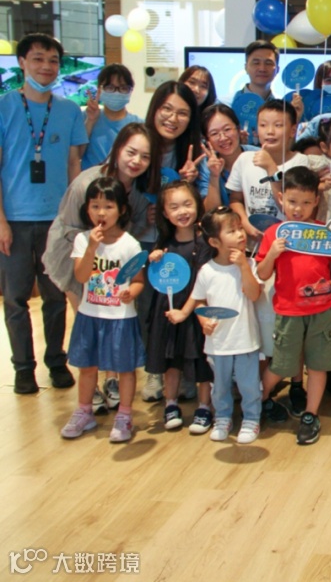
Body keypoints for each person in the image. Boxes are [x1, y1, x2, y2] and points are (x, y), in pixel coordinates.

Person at [0, 33, 88, 394]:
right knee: (15, 298)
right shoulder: (4, 107)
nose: (46, 67)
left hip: (57, 220)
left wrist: (74, 218)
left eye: (53, 60)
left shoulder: (68, 111)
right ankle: (23, 368)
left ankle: (56, 361)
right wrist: (1, 221)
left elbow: (73, 164)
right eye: (38, 59)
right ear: (22, 62)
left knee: (56, 296)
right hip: (15, 220)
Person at [44, 122, 154, 412]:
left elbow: (131, 230)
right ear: (117, 149)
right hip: (74, 254)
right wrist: (91, 248)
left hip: (111, 265)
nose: (136, 161)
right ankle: (89, 388)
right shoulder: (87, 183)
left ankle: (112, 380)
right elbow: (70, 227)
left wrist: (147, 218)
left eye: (145, 156)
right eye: (131, 152)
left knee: (111, 317)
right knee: (87, 320)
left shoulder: (137, 191)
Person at [255, 167, 331, 445]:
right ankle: (257, 401)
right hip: (288, 312)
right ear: (281, 199)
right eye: (292, 201)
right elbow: (263, 273)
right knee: (281, 365)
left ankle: (310, 414)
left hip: (323, 311)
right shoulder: (274, 233)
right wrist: (272, 254)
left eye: (306, 202)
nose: (299, 208)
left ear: (316, 201)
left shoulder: (325, 233)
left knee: (318, 366)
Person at [166, 207, 263, 444]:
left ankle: (251, 419)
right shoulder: (207, 270)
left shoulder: (250, 264)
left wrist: (243, 266)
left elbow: (254, 294)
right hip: (218, 342)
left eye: (240, 228)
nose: (240, 234)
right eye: (232, 231)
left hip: (245, 339)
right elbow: (199, 300)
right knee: (219, 387)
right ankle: (222, 417)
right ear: (214, 242)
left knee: (249, 385)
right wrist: (200, 319)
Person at [60, 177, 145, 441]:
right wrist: (92, 248)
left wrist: (132, 293)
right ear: (86, 209)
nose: (101, 212)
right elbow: (82, 276)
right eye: (95, 206)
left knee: (125, 369)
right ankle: (84, 412)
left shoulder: (130, 244)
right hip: (90, 316)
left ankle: (124, 415)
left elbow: (139, 280)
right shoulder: (82, 240)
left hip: (120, 317)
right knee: (87, 367)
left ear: (121, 209)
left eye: (108, 206)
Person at [144, 181, 214, 434]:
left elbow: (203, 283)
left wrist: (187, 310)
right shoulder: (163, 242)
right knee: (170, 360)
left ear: (197, 205)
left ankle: (204, 406)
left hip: (196, 309)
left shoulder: (205, 243)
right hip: (168, 310)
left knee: (201, 361)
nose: (182, 211)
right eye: (174, 207)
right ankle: (170, 404)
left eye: (187, 204)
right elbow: (156, 276)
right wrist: (153, 258)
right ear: (164, 213)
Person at [227, 99, 312, 241]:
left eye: (278, 125)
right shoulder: (244, 159)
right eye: (263, 125)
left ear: (292, 130)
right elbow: (235, 199)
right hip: (251, 243)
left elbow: (290, 208)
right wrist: (245, 223)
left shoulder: (300, 162)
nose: (270, 131)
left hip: (287, 242)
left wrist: (271, 168)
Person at [197, 104, 258, 212]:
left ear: (238, 129)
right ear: (207, 140)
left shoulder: (258, 155)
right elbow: (210, 212)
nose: (223, 138)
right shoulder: (206, 166)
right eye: (214, 133)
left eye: (227, 129)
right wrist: (214, 176)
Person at [81, 64, 142, 170]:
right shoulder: (85, 117)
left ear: (130, 91)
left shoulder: (138, 125)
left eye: (123, 88)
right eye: (110, 87)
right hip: (91, 179)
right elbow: (76, 155)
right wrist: (90, 121)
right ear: (99, 89)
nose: (116, 92)